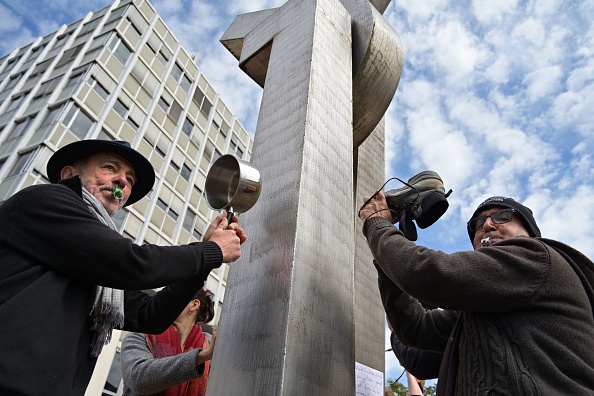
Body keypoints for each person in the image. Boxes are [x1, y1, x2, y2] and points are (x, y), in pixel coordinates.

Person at [0, 139, 246, 395]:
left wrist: (205, 258)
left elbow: (150, 315)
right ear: (69, 174)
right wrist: (212, 250)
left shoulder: (94, 268)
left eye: (129, 179)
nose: (122, 181)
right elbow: (132, 263)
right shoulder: (45, 200)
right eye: (109, 167)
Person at [359, 193, 594, 394]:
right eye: (478, 223)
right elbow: (418, 332)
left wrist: (379, 227)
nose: (487, 225)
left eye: (503, 216)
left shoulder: (538, 257)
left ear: (531, 233)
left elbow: (428, 274)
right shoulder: (478, 313)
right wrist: (387, 263)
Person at [120, 288, 217, 396]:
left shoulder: (210, 344)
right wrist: (200, 357)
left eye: (173, 297)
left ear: (194, 305)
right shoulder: (141, 336)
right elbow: (138, 379)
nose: (164, 301)